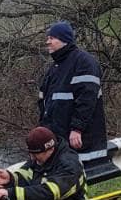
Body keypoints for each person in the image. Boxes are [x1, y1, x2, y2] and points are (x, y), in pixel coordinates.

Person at [38, 20, 107, 153]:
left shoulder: (84, 63)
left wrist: (77, 129)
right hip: (60, 143)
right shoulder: (55, 68)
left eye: (51, 38)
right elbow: (45, 106)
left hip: (82, 144)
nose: (47, 42)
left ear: (64, 39)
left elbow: (87, 99)